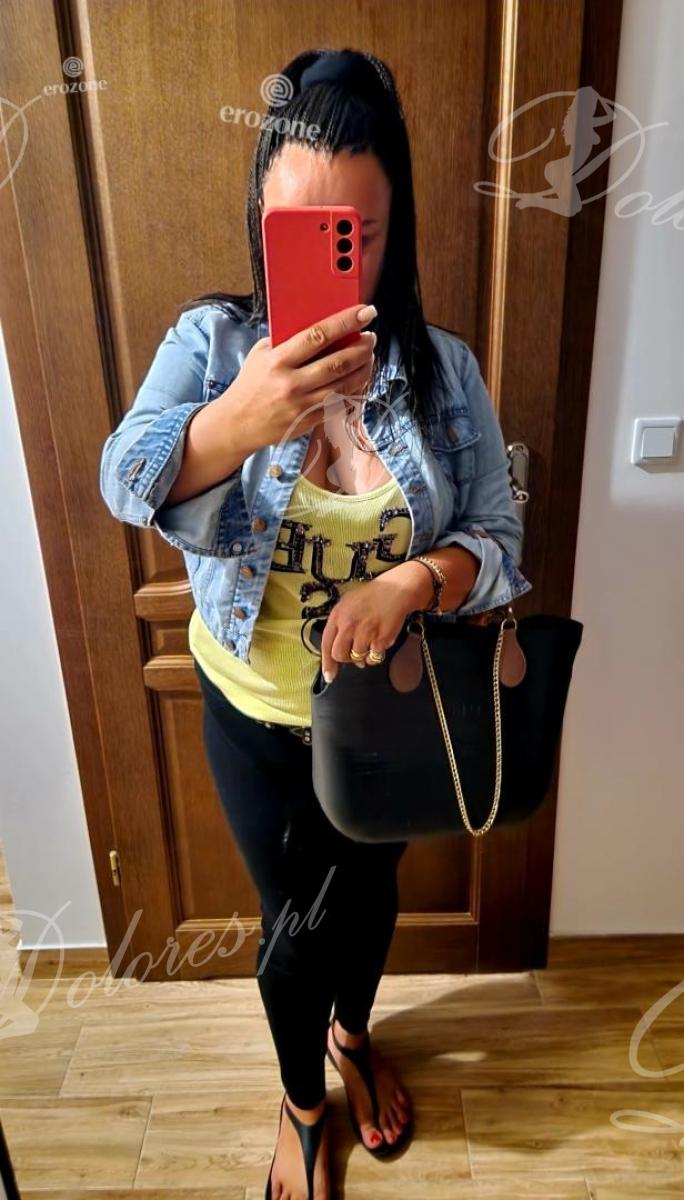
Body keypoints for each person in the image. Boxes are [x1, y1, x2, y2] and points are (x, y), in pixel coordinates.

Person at [100, 47, 532, 1200]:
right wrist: (242, 419)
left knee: (371, 902)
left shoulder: (443, 374)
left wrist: (415, 581)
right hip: (252, 716)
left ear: (394, 231)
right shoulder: (210, 347)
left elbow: (500, 541)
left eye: (360, 234)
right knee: (293, 932)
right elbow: (122, 477)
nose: (337, 258)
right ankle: (302, 1105)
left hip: (384, 721)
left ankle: (353, 1035)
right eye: (300, 231)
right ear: (260, 217)